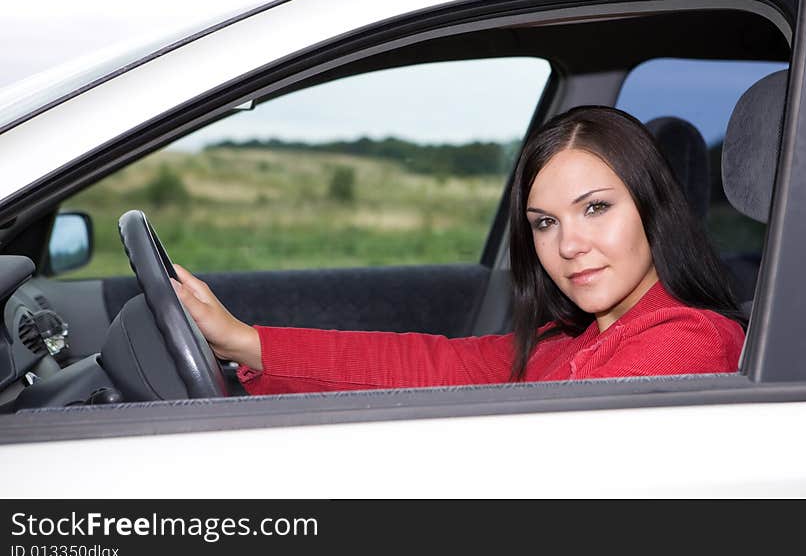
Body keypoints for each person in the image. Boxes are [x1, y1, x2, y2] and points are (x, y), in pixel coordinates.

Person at [172, 106, 747, 395]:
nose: (569, 245)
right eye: (545, 222)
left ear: (653, 210)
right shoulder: (571, 336)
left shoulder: (686, 343)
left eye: (596, 208)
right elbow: (434, 365)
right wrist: (243, 340)